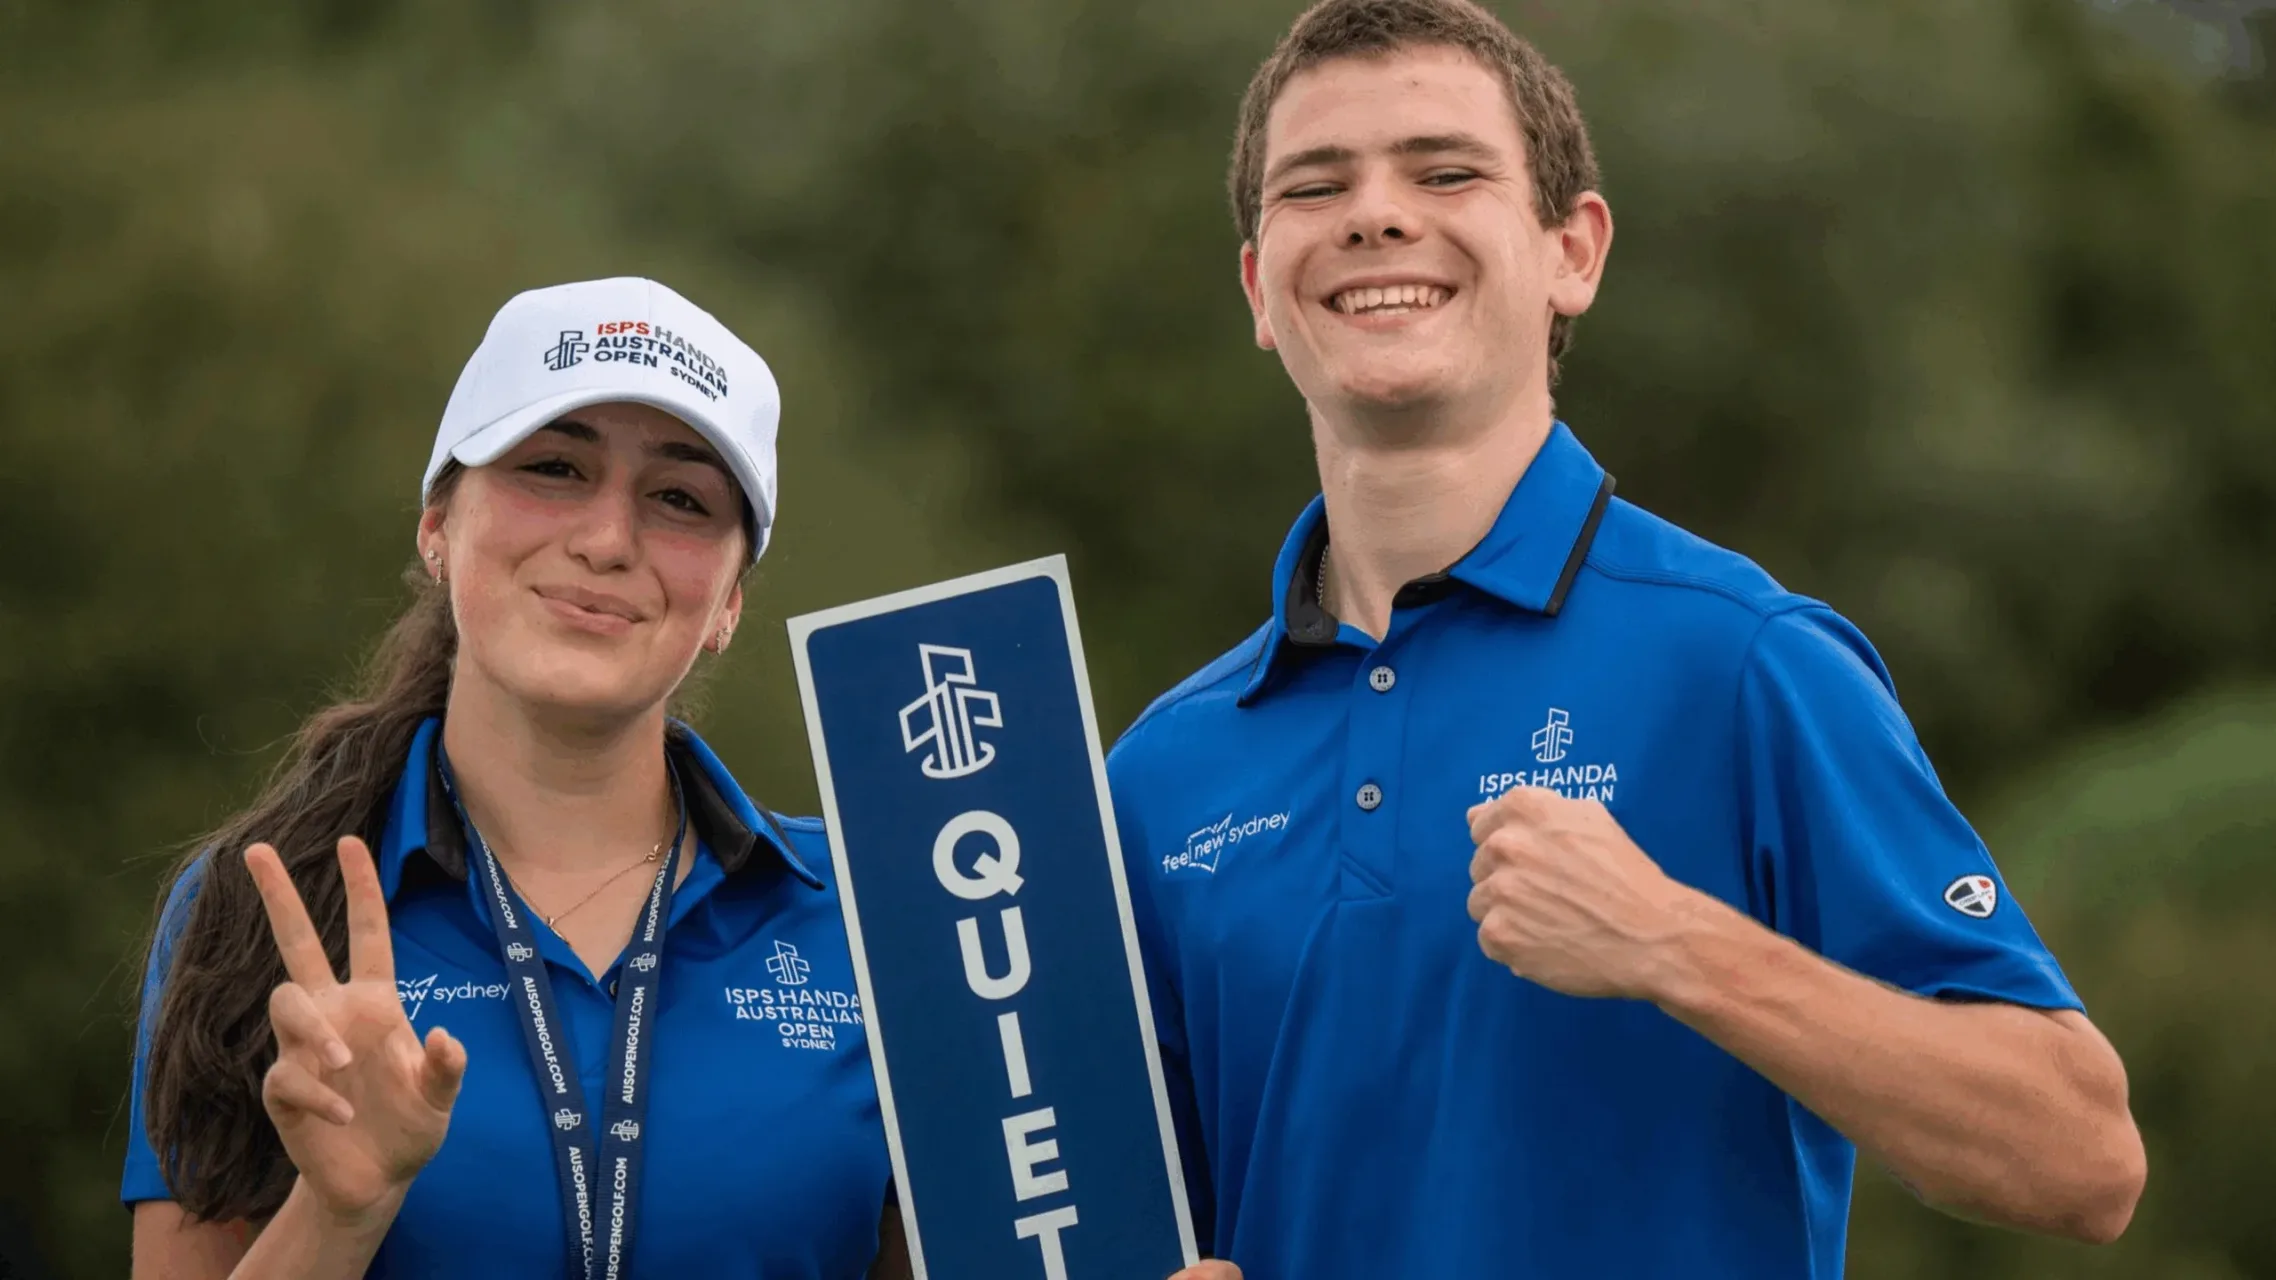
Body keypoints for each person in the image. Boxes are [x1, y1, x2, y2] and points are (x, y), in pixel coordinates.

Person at [1103, 3, 2149, 1278]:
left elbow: (2077, 1154)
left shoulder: (1747, 664)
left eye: (1444, 171)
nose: (1373, 215)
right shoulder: (1157, 775)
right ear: (1263, 289)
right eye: (1315, 186)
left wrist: (1674, 940)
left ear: (1571, 251)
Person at [120, 275, 1247, 1280]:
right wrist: (340, 1207)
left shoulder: (886, 920)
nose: (608, 538)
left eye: (679, 500)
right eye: (553, 468)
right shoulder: (270, 906)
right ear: (435, 523)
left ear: (728, 604)